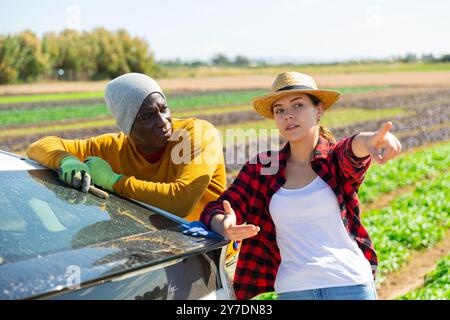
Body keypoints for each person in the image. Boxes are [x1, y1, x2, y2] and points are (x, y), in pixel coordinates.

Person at [200, 71, 402, 300]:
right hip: (294, 290)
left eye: (298, 105)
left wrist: (371, 138)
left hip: (350, 285)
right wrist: (223, 225)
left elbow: (353, 150)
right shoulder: (263, 169)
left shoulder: (334, 160)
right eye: (280, 110)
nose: (288, 115)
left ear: (319, 110)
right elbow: (216, 209)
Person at [27, 72, 226, 222]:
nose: (163, 122)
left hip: (210, 255)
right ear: (128, 126)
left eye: (163, 108)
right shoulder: (113, 147)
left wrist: (113, 181)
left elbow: (180, 202)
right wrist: (66, 159)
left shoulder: (197, 134)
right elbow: (39, 146)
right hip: (157, 250)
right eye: (147, 116)